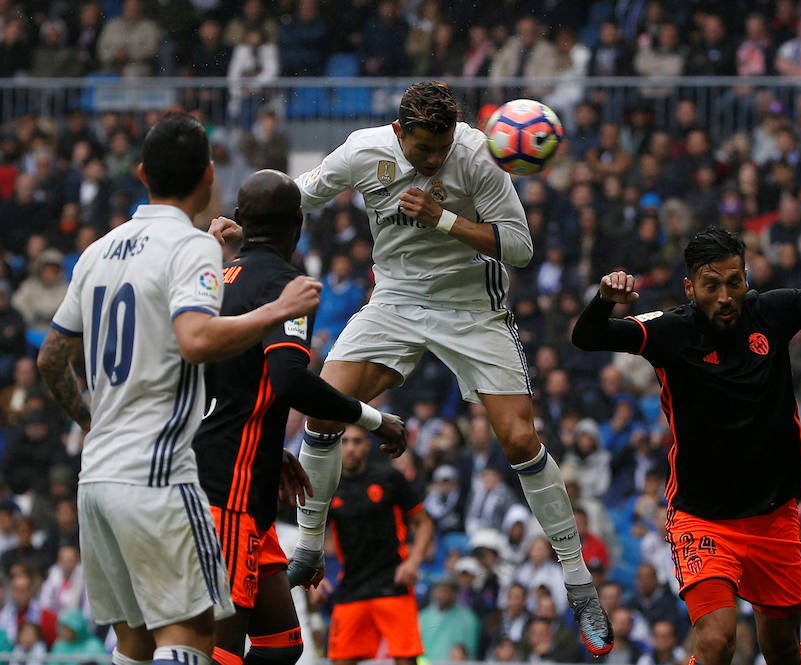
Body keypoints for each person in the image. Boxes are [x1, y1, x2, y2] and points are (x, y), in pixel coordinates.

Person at [212, 80, 613, 656]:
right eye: (424, 150)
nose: (435, 159)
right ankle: (310, 544)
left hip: (473, 308)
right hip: (395, 302)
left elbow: (520, 248)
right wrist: (239, 222)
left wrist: (444, 218)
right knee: (322, 409)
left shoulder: (478, 156)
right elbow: (304, 191)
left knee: (521, 440)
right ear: (400, 134)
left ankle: (578, 581)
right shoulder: (364, 150)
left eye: (443, 146)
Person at [35, 113, 323, 665]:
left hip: (97, 478)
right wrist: (276, 309)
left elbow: (51, 359)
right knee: (192, 638)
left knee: (136, 644)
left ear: (141, 173)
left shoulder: (97, 251)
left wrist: (95, 423)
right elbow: (195, 340)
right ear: (209, 177)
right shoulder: (191, 247)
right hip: (160, 476)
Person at [571, 195, 801, 665]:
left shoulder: (772, 312)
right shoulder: (670, 332)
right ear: (690, 287)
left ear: (746, 279)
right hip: (703, 517)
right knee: (717, 641)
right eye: (711, 285)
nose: (725, 296)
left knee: (778, 648)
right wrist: (603, 301)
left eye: (734, 282)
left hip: (773, 516)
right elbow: (587, 337)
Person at [192, 170, 406, 665]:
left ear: (242, 221)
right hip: (229, 493)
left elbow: (233, 382)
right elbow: (289, 379)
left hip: (241, 481)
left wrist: (272, 449)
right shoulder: (289, 286)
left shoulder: (214, 278)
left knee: (282, 645)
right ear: (298, 222)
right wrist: (373, 418)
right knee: (217, 653)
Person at [307, 423, 432, 665]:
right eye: (345, 442)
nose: (351, 448)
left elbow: (423, 522)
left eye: (357, 441)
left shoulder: (389, 478)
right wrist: (314, 581)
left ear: (367, 445)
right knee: (340, 659)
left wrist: (413, 562)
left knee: (406, 660)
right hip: (352, 585)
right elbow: (311, 535)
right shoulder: (328, 488)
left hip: (393, 582)